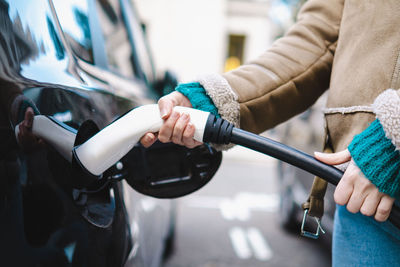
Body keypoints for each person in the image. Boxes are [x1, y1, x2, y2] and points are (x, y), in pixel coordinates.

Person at [140, 0, 400, 265]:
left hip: (377, 174)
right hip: (366, 195)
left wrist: (392, 138)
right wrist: (213, 100)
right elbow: (320, 38)